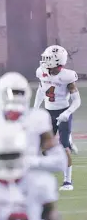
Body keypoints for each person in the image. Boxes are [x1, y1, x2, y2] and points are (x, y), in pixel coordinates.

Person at [0, 72, 66, 190]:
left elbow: (59, 162)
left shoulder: (37, 119)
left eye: (19, 93)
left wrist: (25, 162)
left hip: (28, 185)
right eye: (12, 93)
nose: (15, 98)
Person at [34, 45, 81, 191]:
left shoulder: (67, 76)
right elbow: (41, 90)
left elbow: (77, 101)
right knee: (42, 146)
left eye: (48, 59)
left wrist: (67, 113)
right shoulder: (42, 72)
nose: (45, 62)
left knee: (64, 146)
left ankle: (68, 181)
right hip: (48, 112)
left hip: (63, 112)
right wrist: (35, 108)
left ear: (58, 61)